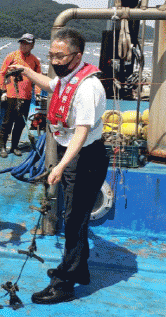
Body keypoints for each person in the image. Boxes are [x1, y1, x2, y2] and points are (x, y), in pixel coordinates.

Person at [16, 28, 109, 304]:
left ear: (77, 56)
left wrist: (59, 166)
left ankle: (64, 285)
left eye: (60, 56)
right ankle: (78, 269)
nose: (54, 61)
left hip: (85, 158)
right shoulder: (68, 78)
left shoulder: (88, 88)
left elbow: (81, 132)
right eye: (51, 56)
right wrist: (26, 71)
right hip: (74, 156)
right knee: (75, 217)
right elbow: (50, 85)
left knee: (74, 220)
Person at [0, 33, 41, 158]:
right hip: (11, 95)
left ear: (32, 45)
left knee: (20, 123)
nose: (23, 45)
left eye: (26, 43)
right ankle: (2, 147)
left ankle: (14, 146)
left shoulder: (35, 61)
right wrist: (3, 90)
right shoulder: (11, 56)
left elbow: (38, 78)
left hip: (26, 96)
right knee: (7, 122)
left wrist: (38, 93)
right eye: (22, 42)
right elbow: (2, 73)